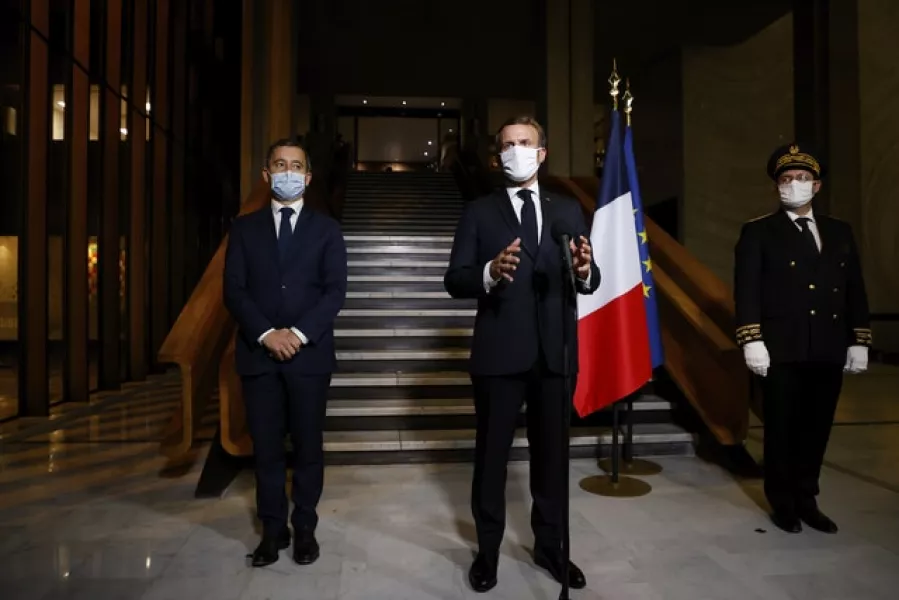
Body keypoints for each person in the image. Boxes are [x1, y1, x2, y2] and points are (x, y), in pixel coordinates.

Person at [444, 116, 600, 592]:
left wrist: (585, 270)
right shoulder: (478, 211)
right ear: (498, 155)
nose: (517, 150)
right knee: (492, 458)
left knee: (552, 458)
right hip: (498, 354)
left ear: (542, 151)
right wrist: (489, 272)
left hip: (556, 356)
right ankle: (487, 552)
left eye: (525, 142)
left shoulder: (568, 209)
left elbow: (591, 278)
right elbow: (454, 279)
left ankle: (551, 547)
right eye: (508, 144)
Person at [734, 142, 871, 535]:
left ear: (817, 186)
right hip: (781, 349)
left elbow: (854, 289)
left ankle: (807, 498)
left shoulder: (839, 231)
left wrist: (858, 339)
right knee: (781, 428)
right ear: (777, 186)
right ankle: (783, 502)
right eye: (786, 178)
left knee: (817, 427)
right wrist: (751, 339)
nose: (793, 184)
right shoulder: (759, 231)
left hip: (827, 348)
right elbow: (746, 291)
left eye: (802, 178)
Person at [223, 137, 348, 567]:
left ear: (309, 177)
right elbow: (233, 291)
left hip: (309, 358)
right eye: (280, 163)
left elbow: (335, 293)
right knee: (268, 450)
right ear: (266, 174)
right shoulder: (243, 228)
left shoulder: (327, 230)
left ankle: (306, 530)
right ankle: (273, 532)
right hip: (258, 357)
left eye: (296, 165)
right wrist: (266, 334)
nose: (289, 171)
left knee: (309, 448)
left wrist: (295, 333)